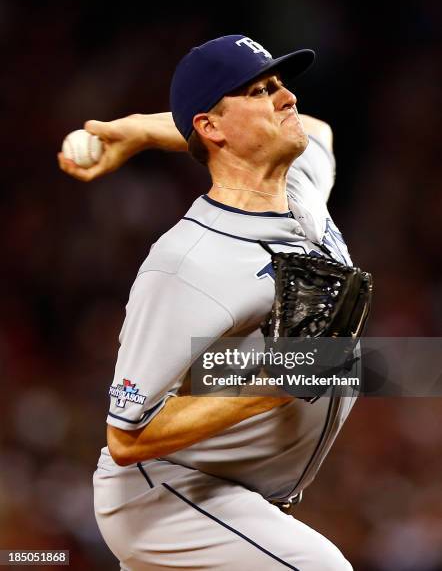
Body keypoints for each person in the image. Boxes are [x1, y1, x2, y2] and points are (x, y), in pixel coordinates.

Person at [59, 35, 354, 570]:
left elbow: (319, 131)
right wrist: (269, 384)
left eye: (281, 84)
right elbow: (127, 434)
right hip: (166, 497)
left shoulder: (302, 189)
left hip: (238, 496)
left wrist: (146, 130)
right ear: (210, 127)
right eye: (261, 90)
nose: (286, 98)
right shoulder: (187, 263)